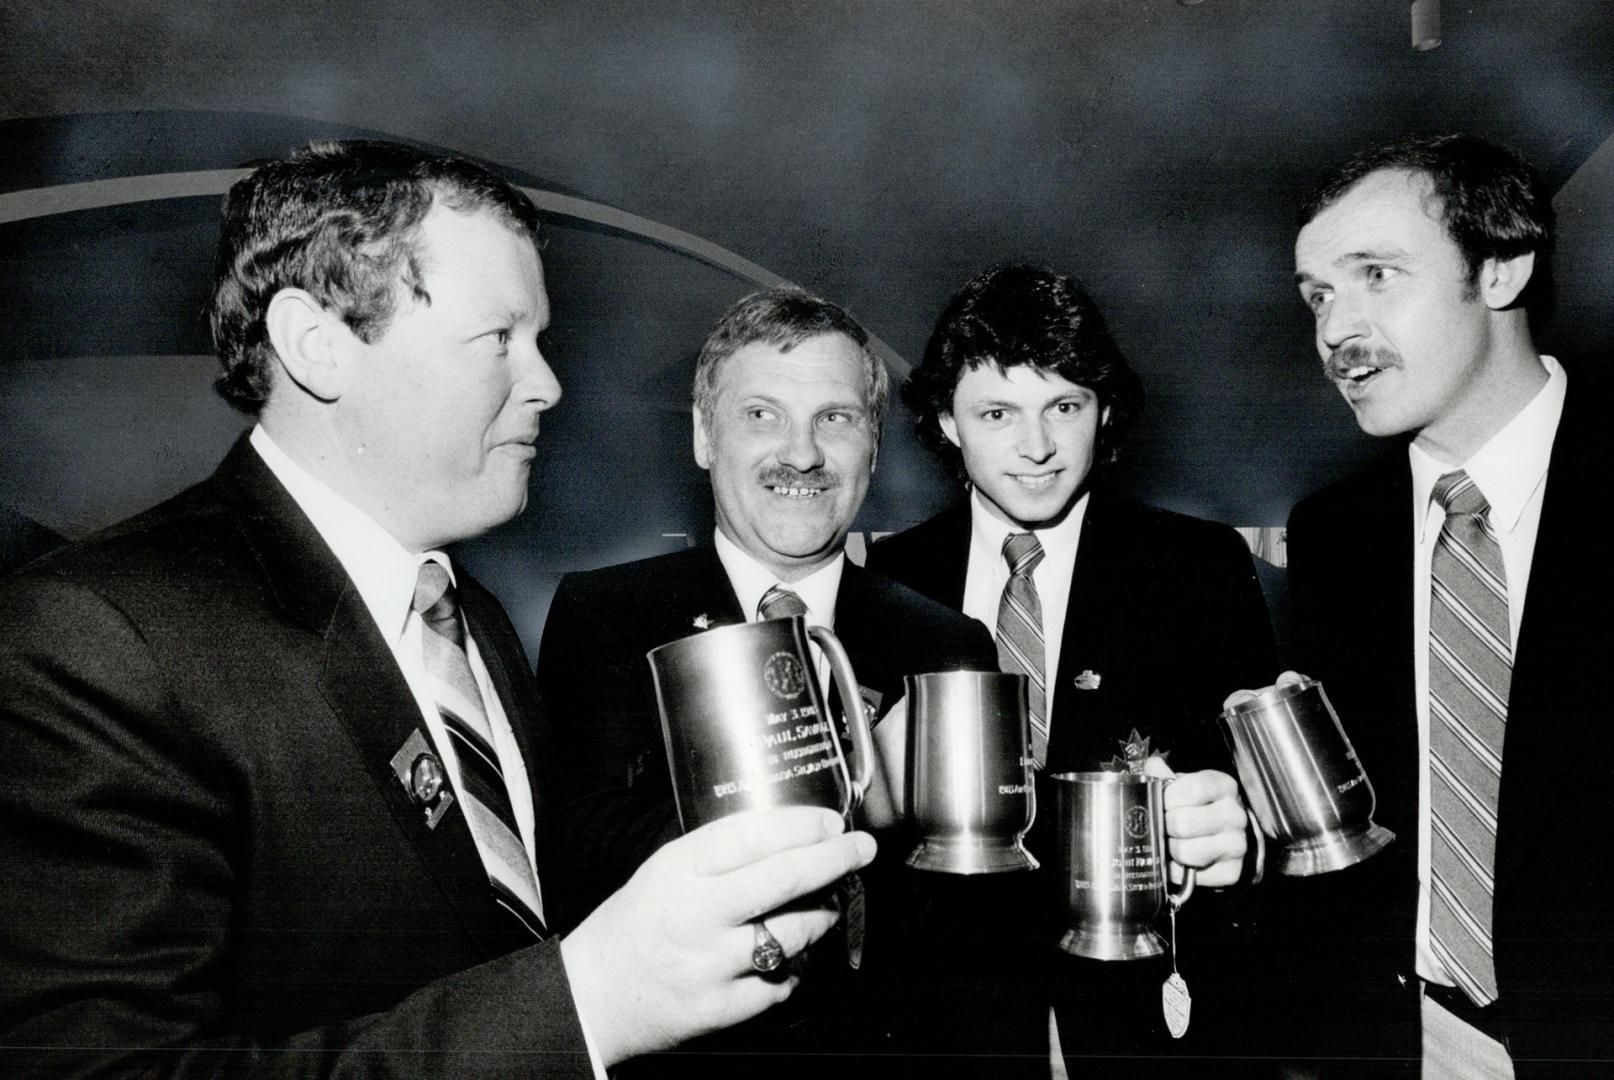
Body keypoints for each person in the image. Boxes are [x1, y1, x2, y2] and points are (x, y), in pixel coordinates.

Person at [0, 140, 875, 1078]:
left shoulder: (472, 620)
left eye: (540, 341)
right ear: (317, 344)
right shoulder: (94, 639)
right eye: (499, 338)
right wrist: (587, 1004)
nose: (547, 384)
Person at [535, 287, 999, 1072]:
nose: (802, 454)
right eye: (761, 415)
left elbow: (977, 932)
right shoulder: (608, 615)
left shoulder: (948, 642)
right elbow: (580, 859)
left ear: (874, 448)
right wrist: (857, 793)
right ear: (702, 437)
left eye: (835, 418)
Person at [1251, 133, 1614, 1079]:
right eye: (1318, 294)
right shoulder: (1333, 535)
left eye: (1376, 274)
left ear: (1502, 268)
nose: (1336, 329)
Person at [867, 265, 1276, 1077]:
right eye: (996, 413)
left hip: (1144, 1023)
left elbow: (1254, 813)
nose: (1038, 447)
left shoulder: (1200, 566)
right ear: (947, 422)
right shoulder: (888, 582)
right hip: (941, 1025)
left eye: (1064, 406)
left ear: (1106, 409)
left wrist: (1238, 840)